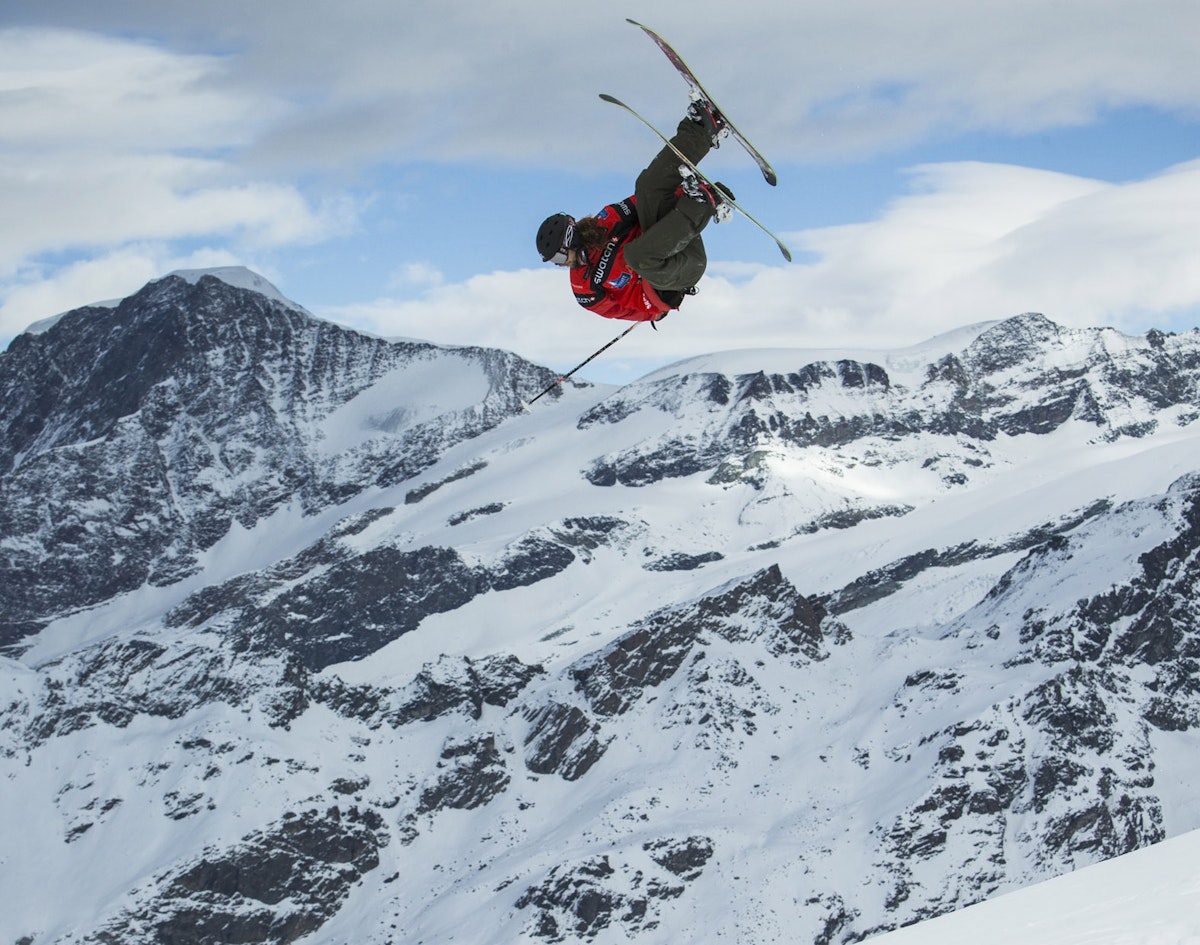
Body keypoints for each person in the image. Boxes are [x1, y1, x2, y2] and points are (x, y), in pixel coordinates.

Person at [536, 99, 734, 322]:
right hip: (677, 276)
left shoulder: (606, 222)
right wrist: (656, 314)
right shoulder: (584, 289)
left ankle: (701, 131)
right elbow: (621, 312)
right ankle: (702, 204)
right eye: (555, 261)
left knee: (646, 186)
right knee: (636, 256)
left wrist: (684, 193)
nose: (562, 264)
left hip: (676, 241)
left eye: (561, 256)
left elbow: (649, 200)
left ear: (571, 239)